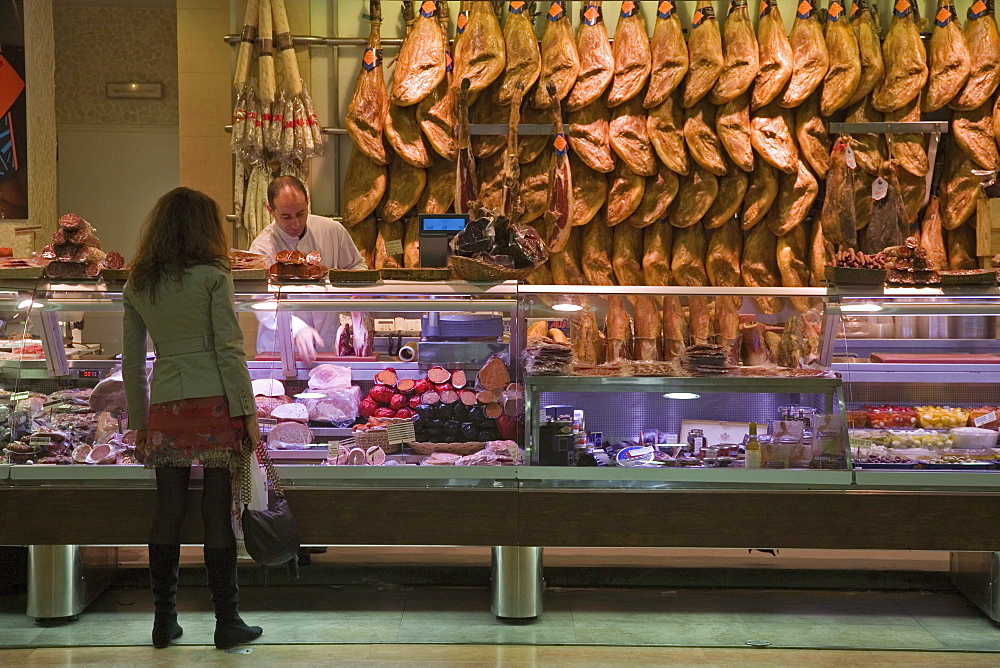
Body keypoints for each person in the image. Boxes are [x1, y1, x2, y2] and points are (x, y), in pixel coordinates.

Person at [122, 187, 263, 650]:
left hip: (166, 404)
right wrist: (247, 411)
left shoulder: (139, 283)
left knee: (168, 510)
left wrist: (140, 421)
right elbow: (229, 347)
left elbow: (131, 361)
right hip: (215, 402)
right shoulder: (213, 275)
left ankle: (164, 621)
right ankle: (227, 621)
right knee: (216, 511)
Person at [249, 175, 366, 362]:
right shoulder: (262, 247)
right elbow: (261, 302)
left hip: (327, 343)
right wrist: (297, 327)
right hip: (281, 348)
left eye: (301, 213)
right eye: (286, 217)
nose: (295, 223)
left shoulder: (332, 230)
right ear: (270, 210)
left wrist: (348, 299)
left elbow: (357, 266)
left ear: (308, 202)